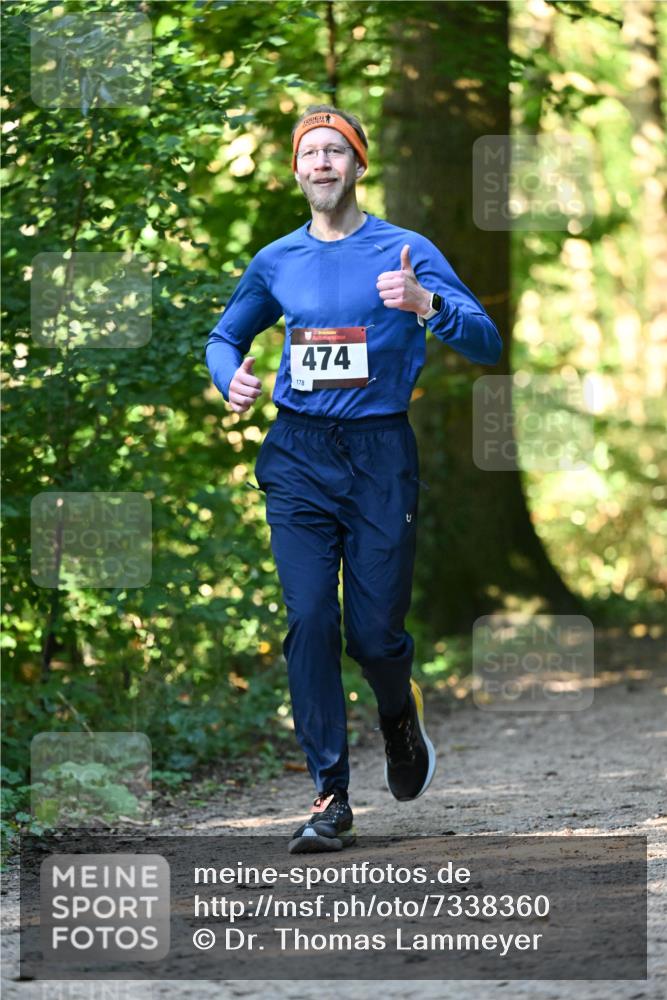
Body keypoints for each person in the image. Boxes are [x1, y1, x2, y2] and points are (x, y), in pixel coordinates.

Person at [206, 105, 502, 854]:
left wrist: (427, 304)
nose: (324, 164)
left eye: (338, 151)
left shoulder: (405, 250)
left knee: (372, 637)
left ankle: (399, 715)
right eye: (311, 153)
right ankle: (330, 795)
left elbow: (487, 342)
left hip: (378, 458)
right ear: (297, 169)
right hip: (298, 456)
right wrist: (228, 382)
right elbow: (225, 335)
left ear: (359, 166)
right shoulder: (277, 261)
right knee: (309, 618)